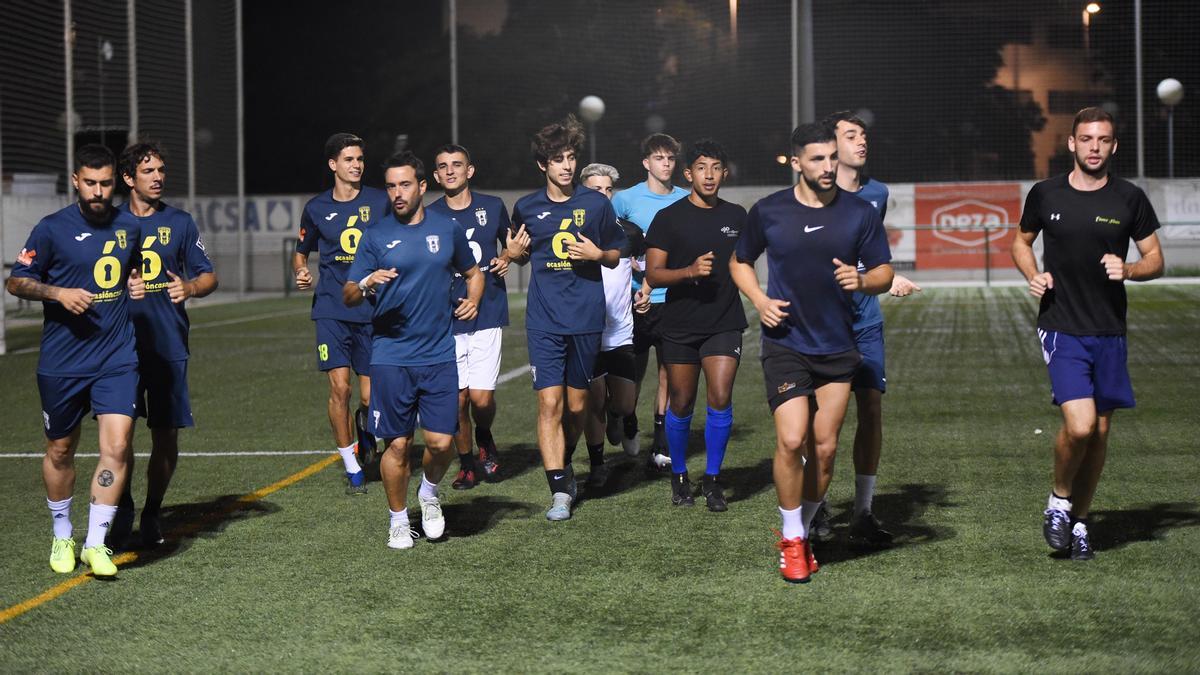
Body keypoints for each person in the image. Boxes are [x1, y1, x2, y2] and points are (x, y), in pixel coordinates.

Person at [731, 122, 893, 584]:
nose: (828, 166)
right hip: (786, 343)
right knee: (790, 439)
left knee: (824, 450)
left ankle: (803, 523)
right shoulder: (768, 211)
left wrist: (861, 281)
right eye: (818, 159)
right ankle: (792, 539)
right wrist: (759, 300)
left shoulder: (859, 213)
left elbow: (883, 271)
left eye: (831, 158)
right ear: (797, 162)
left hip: (838, 345)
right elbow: (739, 260)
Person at [1011, 106, 1163, 561]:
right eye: (1086, 139)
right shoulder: (1046, 194)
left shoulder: (1130, 198)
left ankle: (1079, 523)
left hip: (1109, 330)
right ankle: (1059, 501)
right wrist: (1032, 274)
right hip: (1062, 326)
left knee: (1098, 433)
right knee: (1079, 426)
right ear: (1071, 144)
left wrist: (1130, 268)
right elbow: (1020, 241)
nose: (1094, 147)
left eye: (1103, 140)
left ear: (1113, 146)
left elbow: (1155, 257)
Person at [7, 144, 147, 577]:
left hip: (117, 357)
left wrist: (136, 282)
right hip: (63, 361)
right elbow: (17, 281)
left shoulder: (129, 226)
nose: (98, 192)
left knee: (118, 446)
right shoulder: (51, 229)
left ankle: (95, 543)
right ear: (75, 180)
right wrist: (57, 292)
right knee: (60, 448)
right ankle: (62, 532)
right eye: (90, 183)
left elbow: (131, 267)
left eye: (105, 183)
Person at [344, 151, 483, 550]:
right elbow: (350, 294)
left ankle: (428, 493)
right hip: (390, 356)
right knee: (399, 444)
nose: (397, 193)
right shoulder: (375, 236)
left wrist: (473, 299)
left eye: (405, 184)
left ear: (423, 187)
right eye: (391, 186)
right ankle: (399, 520)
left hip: (439, 354)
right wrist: (368, 281)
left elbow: (473, 274)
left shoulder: (448, 229)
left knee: (441, 444)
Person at [807, 111, 921, 545]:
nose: (861, 142)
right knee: (821, 424)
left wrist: (885, 278)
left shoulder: (877, 193)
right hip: (823, 324)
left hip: (865, 321)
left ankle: (862, 512)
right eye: (850, 135)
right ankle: (814, 509)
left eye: (863, 136)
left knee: (871, 409)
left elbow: (874, 256)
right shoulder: (809, 196)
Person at [511, 116, 626, 521]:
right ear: (542, 165)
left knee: (578, 408)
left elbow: (617, 251)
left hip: (586, 318)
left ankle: (567, 458)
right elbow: (521, 252)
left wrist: (599, 256)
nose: (566, 166)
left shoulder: (595, 204)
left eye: (571, 158)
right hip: (544, 320)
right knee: (549, 403)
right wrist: (513, 255)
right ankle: (559, 488)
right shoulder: (526, 207)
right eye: (558, 159)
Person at [112, 142, 218, 548]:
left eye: (161, 169)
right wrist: (122, 286)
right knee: (119, 437)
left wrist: (189, 286)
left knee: (165, 436)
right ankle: (120, 505)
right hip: (119, 349)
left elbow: (209, 277)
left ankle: (152, 512)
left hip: (169, 346)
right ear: (128, 178)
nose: (158, 177)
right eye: (148, 171)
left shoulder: (180, 222)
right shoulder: (109, 224)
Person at [644, 139, 747, 511]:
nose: (709, 175)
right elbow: (653, 275)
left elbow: (747, 263)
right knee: (682, 401)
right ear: (689, 174)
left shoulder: (737, 216)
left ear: (724, 173)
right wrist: (688, 272)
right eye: (701, 167)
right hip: (680, 323)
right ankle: (680, 476)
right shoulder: (669, 218)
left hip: (724, 321)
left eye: (716, 167)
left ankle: (714, 481)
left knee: (720, 396)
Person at [427, 144, 528, 489]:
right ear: (436, 175)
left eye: (457, 165)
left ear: (470, 171)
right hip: (446, 318)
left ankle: (484, 436)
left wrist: (511, 256)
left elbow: (518, 250)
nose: (451, 170)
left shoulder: (493, 206)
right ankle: (467, 464)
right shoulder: (429, 216)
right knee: (457, 398)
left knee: (481, 400)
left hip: (487, 311)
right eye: (444, 166)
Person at [294, 133, 390, 494]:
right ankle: (352, 469)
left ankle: (366, 436)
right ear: (333, 164)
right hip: (332, 310)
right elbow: (301, 250)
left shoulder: (380, 202)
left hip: (371, 311)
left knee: (369, 397)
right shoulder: (317, 208)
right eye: (349, 159)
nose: (357, 165)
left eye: (360, 159)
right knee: (340, 388)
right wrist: (300, 270)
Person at [611, 133, 690, 470]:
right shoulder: (625, 200)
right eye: (659, 158)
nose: (666, 164)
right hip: (635, 300)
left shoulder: (687, 199)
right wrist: (624, 258)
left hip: (673, 299)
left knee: (669, 374)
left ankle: (661, 441)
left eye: (671, 158)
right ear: (646, 163)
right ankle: (625, 417)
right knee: (635, 373)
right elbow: (609, 239)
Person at [580, 162, 650, 489]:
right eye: (597, 190)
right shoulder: (572, 231)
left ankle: (625, 415)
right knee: (593, 403)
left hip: (621, 333)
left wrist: (644, 290)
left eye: (609, 190)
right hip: (587, 335)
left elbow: (649, 265)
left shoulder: (630, 233)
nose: (604, 196)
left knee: (621, 402)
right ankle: (596, 465)